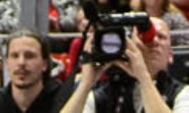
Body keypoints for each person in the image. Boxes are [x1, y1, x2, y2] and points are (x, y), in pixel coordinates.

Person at [58, 17, 189, 113]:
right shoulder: (106, 92)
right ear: (129, 44)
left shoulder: (183, 93)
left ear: (171, 54)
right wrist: (85, 85)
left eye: (161, 37)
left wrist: (143, 77)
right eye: (145, 37)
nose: (154, 42)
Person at [0, 29, 61, 112]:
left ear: (45, 64)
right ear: (7, 63)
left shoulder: (61, 99)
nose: (21, 63)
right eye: (15, 56)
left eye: (29, 56)